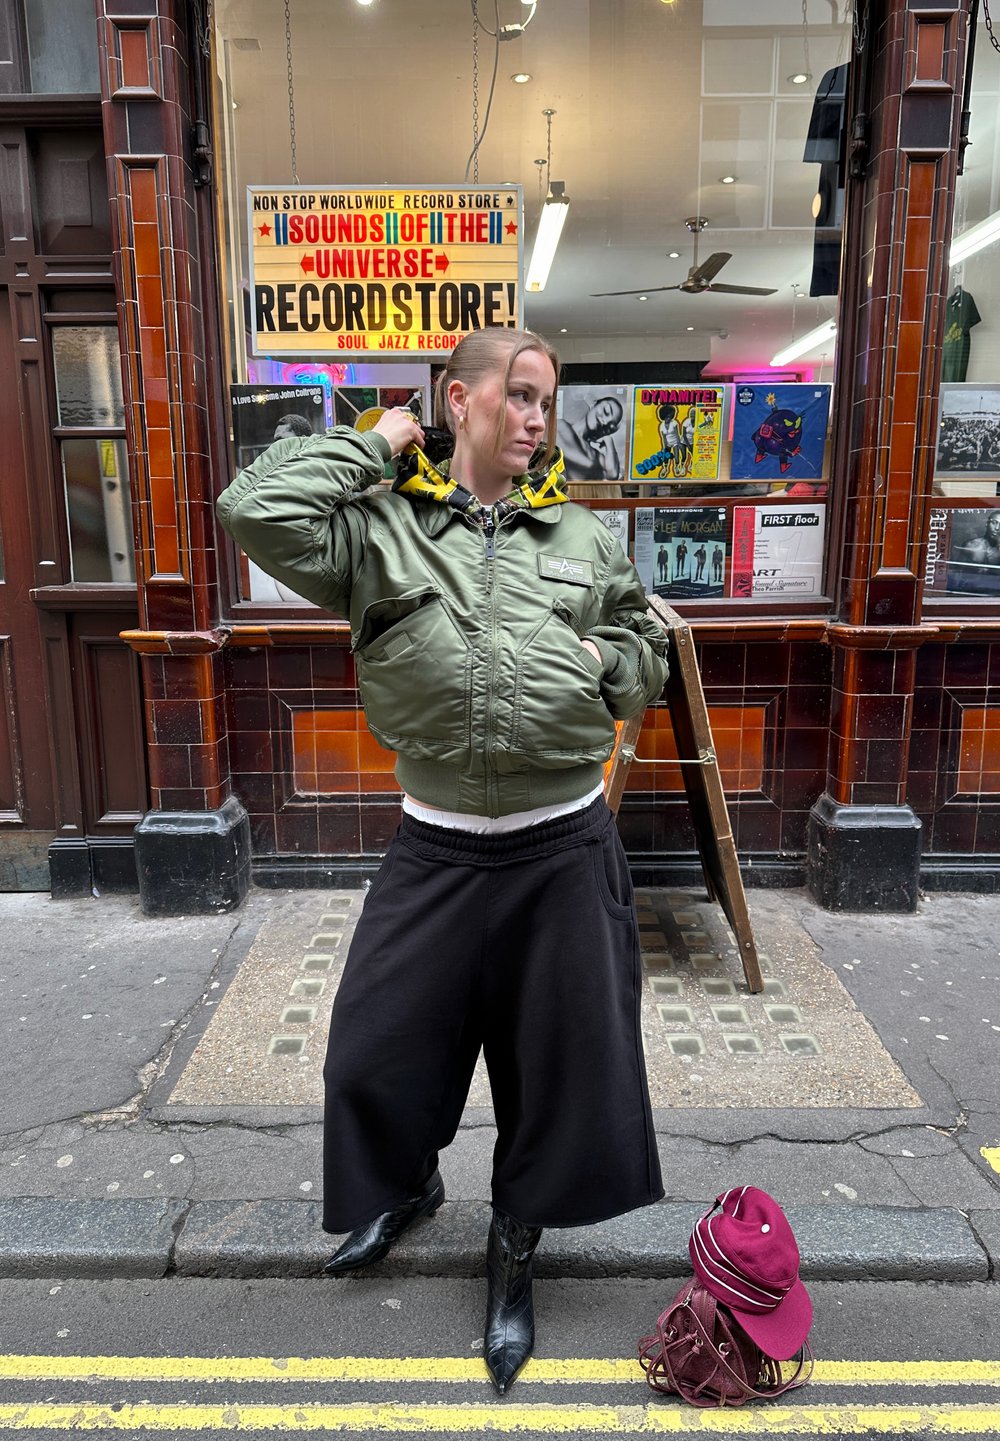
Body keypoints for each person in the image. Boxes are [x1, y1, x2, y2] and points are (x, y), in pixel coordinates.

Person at [216, 328, 668, 1395]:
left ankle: (513, 1247)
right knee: (371, 1055)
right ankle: (409, 1185)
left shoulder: (583, 537)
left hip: (562, 849)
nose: (538, 419)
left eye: (547, 400)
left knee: (554, 1072)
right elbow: (253, 510)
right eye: (520, 395)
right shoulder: (378, 531)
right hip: (436, 844)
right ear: (457, 400)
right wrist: (376, 442)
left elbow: (645, 651)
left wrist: (605, 656)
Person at [558, 394, 625, 498]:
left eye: (610, 426)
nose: (604, 422)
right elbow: (586, 463)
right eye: (606, 411)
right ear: (594, 404)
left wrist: (609, 441)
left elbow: (612, 474)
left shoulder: (595, 455)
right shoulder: (561, 426)